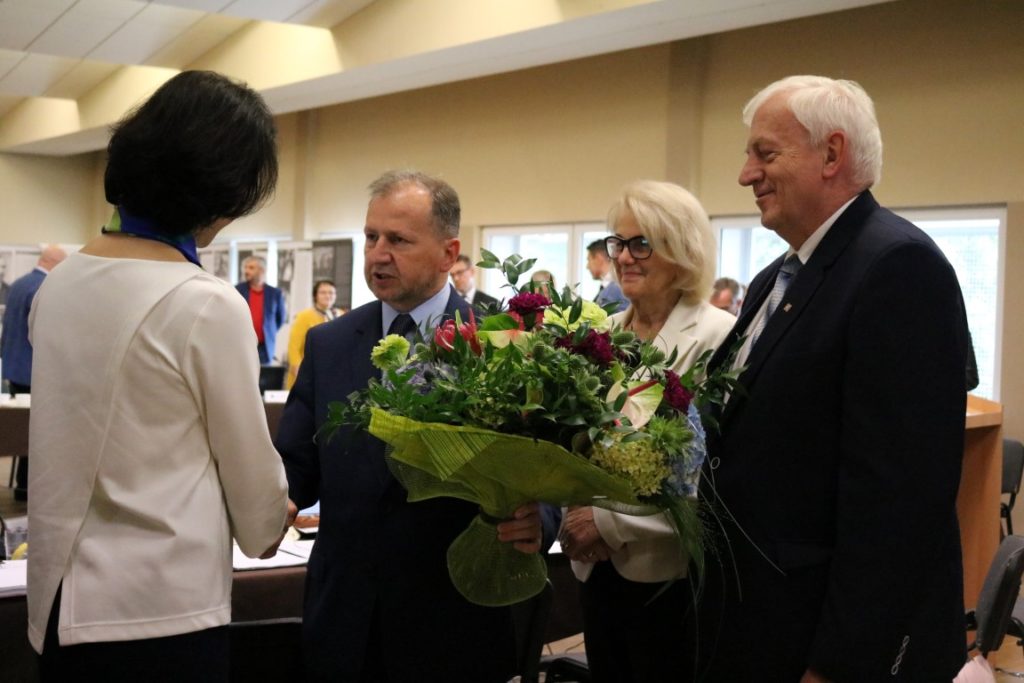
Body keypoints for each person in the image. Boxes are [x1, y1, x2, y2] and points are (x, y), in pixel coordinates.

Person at [697, 75, 969, 682]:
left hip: (827, 639)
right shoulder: (778, 276)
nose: (745, 174)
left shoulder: (897, 267)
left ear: (831, 154)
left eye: (765, 154)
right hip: (757, 617)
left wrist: (839, 664)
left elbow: (899, 501)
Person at [25, 70, 291, 681]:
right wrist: (272, 512)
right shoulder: (204, 303)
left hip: (60, 602)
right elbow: (256, 501)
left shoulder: (59, 284)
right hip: (159, 613)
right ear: (221, 192)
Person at [275, 170, 543, 682]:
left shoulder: (500, 342)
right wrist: (271, 502)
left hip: (451, 623)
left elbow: (538, 461)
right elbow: (296, 461)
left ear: (449, 253)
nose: (378, 254)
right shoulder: (330, 344)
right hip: (344, 622)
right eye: (371, 237)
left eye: (397, 240)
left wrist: (540, 518)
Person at [558, 180, 735, 683]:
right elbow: (576, 444)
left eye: (642, 244)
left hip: (669, 576)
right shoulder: (604, 335)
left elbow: (710, 473)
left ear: (682, 252)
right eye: (618, 243)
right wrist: (573, 509)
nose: (624, 258)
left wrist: (607, 523)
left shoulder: (718, 337)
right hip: (595, 568)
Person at [0, 245, 67, 500]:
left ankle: (22, 486)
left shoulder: (18, 284)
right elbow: (46, 335)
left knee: (21, 433)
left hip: (14, 369)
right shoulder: (43, 288)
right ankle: (27, 489)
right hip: (33, 373)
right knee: (33, 435)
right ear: (53, 262)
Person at [286, 279, 342, 389]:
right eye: (323, 292)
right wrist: (298, 373)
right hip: (307, 372)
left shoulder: (340, 315)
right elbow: (294, 347)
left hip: (332, 373)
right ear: (315, 295)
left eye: (331, 292)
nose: (327, 296)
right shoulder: (304, 317)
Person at [236, 255, 286, 364]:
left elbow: (280, 319)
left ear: (262, 270)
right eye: (245, 267)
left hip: (265, 347)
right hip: (244, 345)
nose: (246, 271)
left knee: (265, 379)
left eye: (251, 268)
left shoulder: (275, 293)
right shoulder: (238, 290)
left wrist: (268, 330)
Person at [585, 239, 629, 312]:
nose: (587, 266)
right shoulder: (609, 287)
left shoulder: (617, 287)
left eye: (589, 260)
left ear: (598, 259)